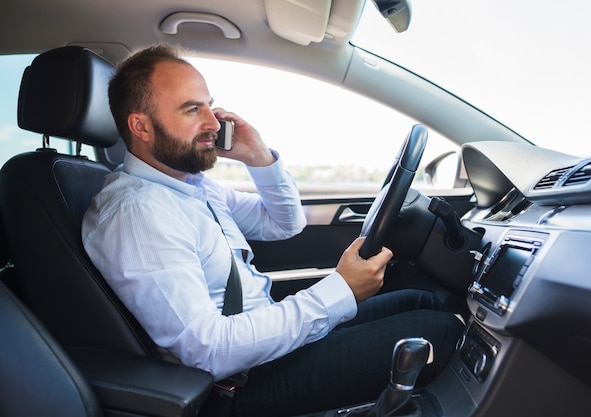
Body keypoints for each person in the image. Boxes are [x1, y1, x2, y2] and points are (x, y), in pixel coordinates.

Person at [82, 43, 464, 417]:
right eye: (191, 109)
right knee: (440, 330)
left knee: (422, 302)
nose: (214, 123)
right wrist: (340, 289)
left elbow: (284, 222)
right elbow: (209, 351)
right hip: (241, 382)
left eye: (210, 106)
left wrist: (258, 158)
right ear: (141, 127)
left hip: (265, 346)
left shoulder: (190, 187)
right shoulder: (138, 213)